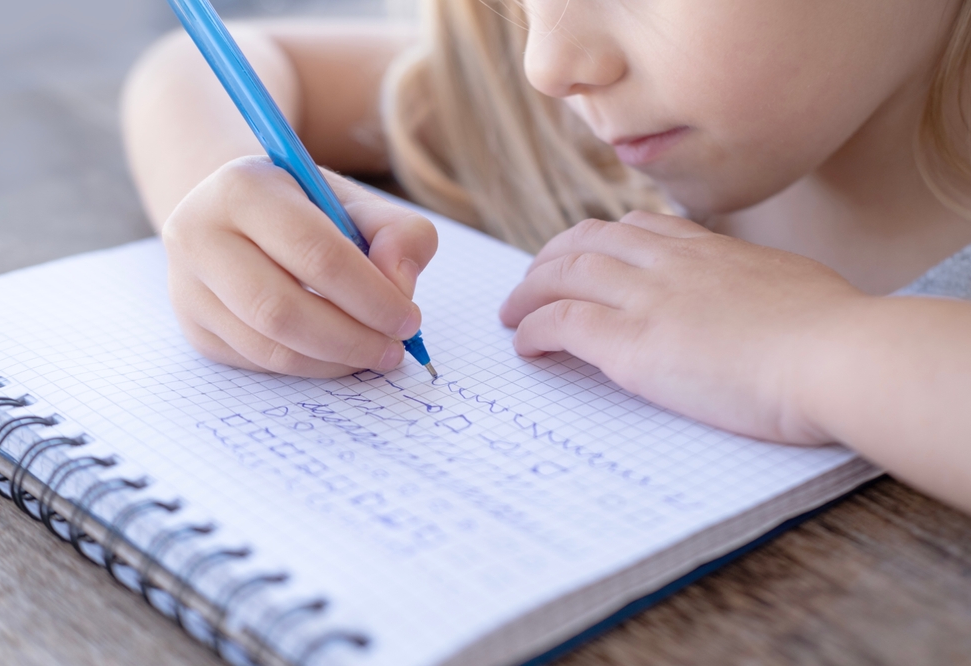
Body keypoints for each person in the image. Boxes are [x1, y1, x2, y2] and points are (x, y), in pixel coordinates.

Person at [122, 0, 971, 513]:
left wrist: (817, 349)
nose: (546, 63)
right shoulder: (583, 129)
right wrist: (229, 199)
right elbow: (194, 68)